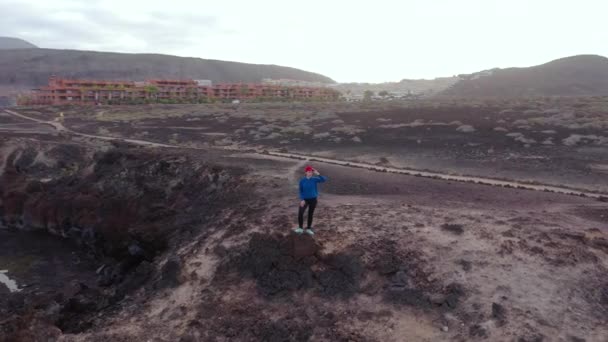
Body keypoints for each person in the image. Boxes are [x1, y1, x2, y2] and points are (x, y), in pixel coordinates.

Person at [295, 165, 327, 235]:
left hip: (313, 200)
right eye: (309, 172)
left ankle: (308, 229)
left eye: (311, 172)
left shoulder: (314, 179)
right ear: (306, 172)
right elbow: (301, 191)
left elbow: (324, 179)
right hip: (305, 200)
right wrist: (302, 199)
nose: (310, 173)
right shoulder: (302, 181)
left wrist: (318, 173)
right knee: (300, 213)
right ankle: (300, 228)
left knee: (310, 214)